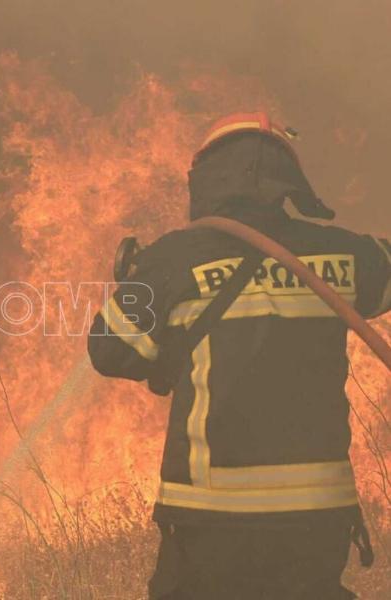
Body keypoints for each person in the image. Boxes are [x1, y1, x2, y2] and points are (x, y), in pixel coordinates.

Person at [87, 112, 391, 599]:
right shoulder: (346, 257)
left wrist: (140, 283)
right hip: (317, 516)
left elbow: (110, 350)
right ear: (288, 179)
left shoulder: (173, 259)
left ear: (207, 177)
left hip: (211, 517)